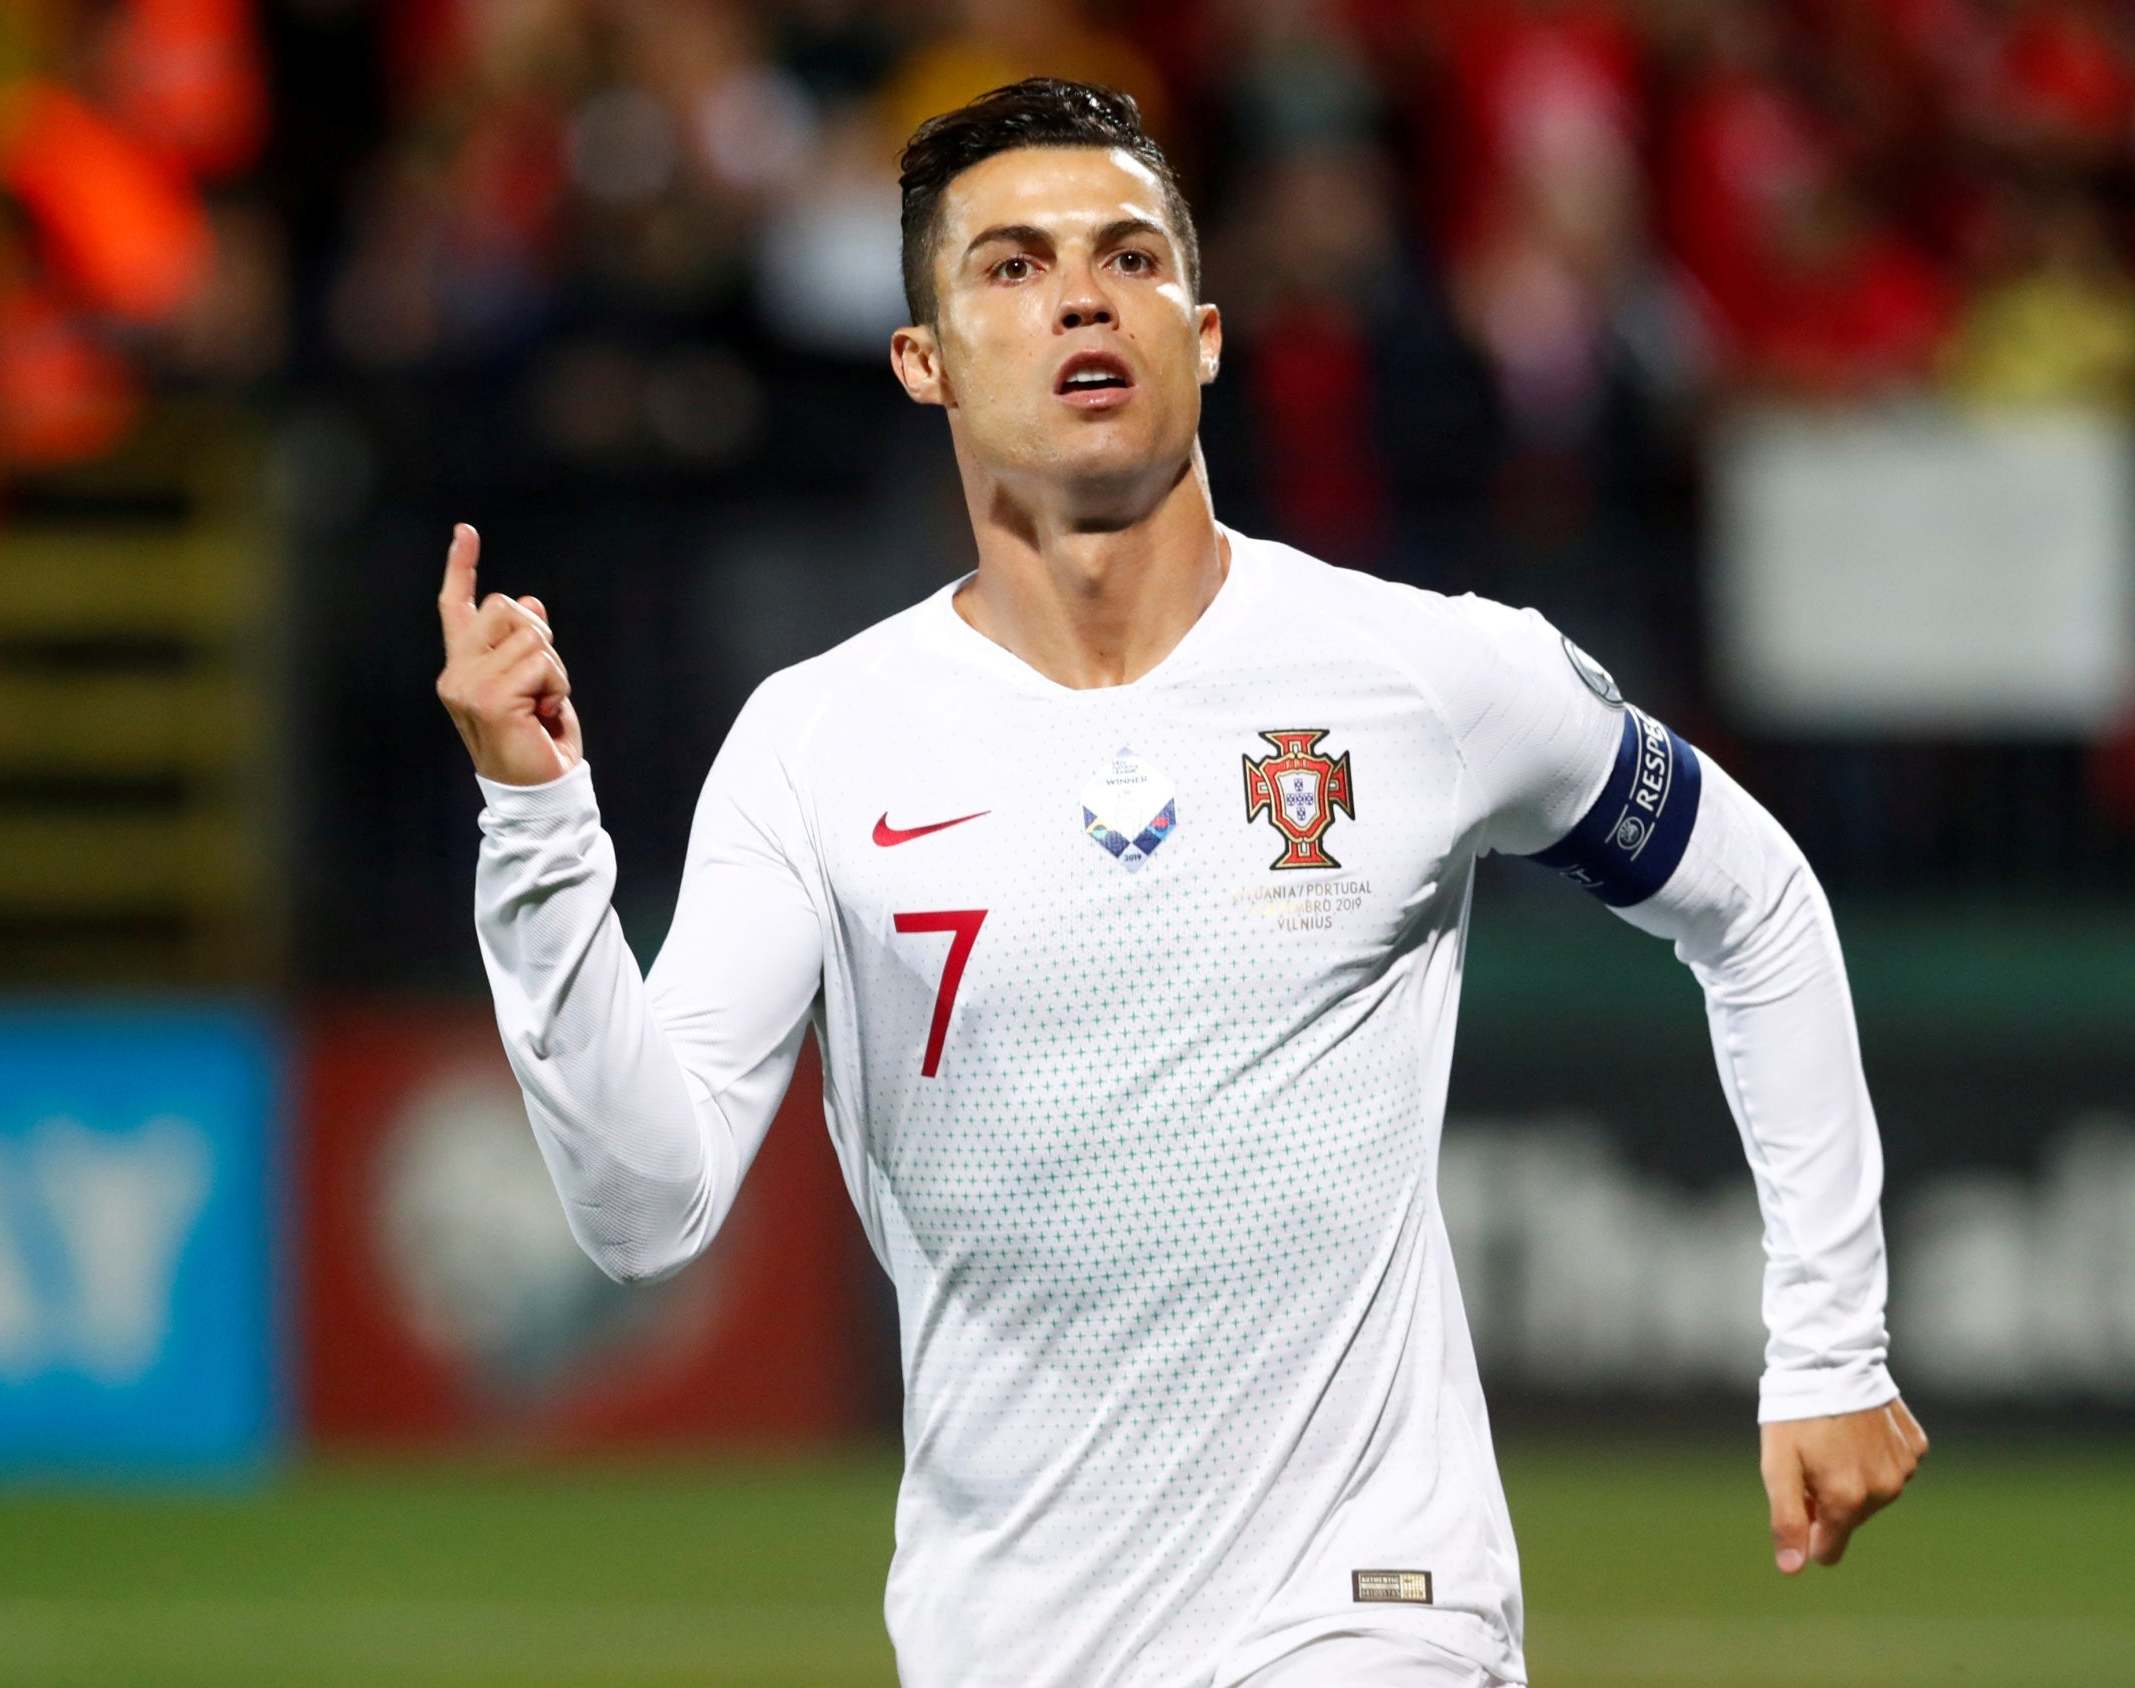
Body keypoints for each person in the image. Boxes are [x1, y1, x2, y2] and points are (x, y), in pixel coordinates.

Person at [434, 77, 1925, 1688]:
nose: (1080, 292)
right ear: (921, 363)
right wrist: (538, 837)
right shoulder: (820, 746)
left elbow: (1752, 904)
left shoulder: (1422, 676)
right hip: (1005, 1640)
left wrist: (1828, 1346)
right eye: (1009, 266)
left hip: (1374, 1607)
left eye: (1129, 256)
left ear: (1202, 334)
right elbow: (646, 1208)